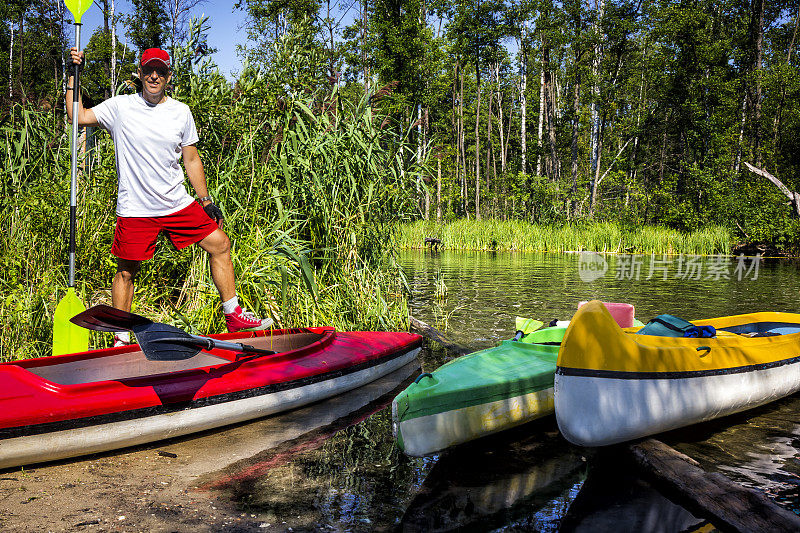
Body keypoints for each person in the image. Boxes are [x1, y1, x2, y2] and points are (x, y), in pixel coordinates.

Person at [66, 47, 273, 345]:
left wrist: (205, 200)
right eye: (149, 70)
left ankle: (233, 314)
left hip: (175, 203)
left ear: (168, 77)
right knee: (126, 273)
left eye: (160, 71)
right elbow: (78, 115)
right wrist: (73, 74)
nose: (154, 76)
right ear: (139, 73)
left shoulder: (180, 111)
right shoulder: (120, 107)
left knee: (220, 244)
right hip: (136, 208)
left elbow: (191, 159)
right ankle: (121, 338)